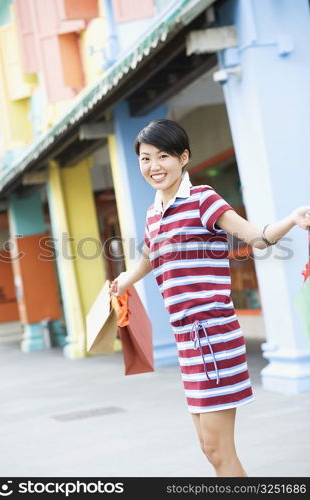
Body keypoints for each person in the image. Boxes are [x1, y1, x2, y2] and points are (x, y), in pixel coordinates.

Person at [110, 119, 310, 477]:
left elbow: (257, 237)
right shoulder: (153, 213)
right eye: (145, 158)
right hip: (186, 338)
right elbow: (147, 258)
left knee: (218, 448)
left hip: (213, 335)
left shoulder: (203, 199)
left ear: (183, 157)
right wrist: (123, 281)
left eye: (164, 156)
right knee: (208, 448)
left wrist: (292, 219)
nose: (154, 166)